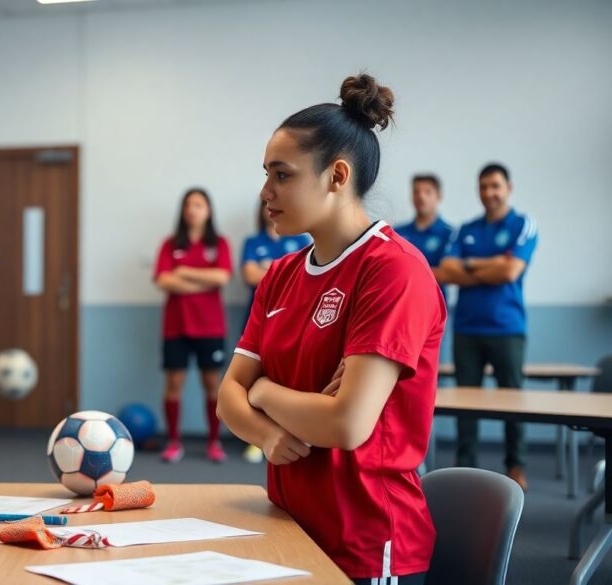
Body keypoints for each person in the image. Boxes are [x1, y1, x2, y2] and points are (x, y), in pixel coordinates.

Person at [217, 74, 445, 584]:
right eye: (266, 174)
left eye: (282, 175)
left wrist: (265, 390)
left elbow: (345, 425)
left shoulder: (394, 269)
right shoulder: (280, 274)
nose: (265, 192)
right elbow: (227, 396)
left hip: (366, 542)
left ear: (337, 176)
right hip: (288, 526)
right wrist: (264, 433)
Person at [438, 163, 537, 491]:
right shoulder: (465, 229)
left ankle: (516, 465)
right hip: (466, 326)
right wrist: (494, 262)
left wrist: (471, 267)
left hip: (507, 327)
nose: (489, 193)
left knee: (512, 399)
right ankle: (465, 467)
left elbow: (511, 273)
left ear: (508, 187)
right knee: (466, 402)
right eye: (483, 187)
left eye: (495, 186)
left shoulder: (522, 224)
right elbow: (446, 271)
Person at [153, 188, 233, 463]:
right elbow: (163, 281)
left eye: (198, 204)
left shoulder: (220, 243)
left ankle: (213, 442)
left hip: (210, 327)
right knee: (173, 384)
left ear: (208, 210)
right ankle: (174, 441)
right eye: (188, 204)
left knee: (212, 384)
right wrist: (203, 281)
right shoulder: (169, 244)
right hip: (175, 327)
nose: (192, 209)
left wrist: (184, 272)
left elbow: (222, 278)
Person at [239, 204, 311, 463]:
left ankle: (291, 433)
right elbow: (248, 275)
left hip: (293, 321)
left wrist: (266, 270)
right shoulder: (252, 241)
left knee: (288, 380)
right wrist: (281, 273)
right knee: (253, 379)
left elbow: (304, 279)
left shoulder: (302, 239)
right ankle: (258, 437)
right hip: (258, 320)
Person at [394, 175, 454, 303]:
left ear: (438, 196)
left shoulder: (449, 233)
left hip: (434, 306)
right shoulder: (397, 233)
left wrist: (406, 273)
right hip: (403, 304)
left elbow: (446, 273)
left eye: (427, 192)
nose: (421, 196)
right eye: (416, 192)